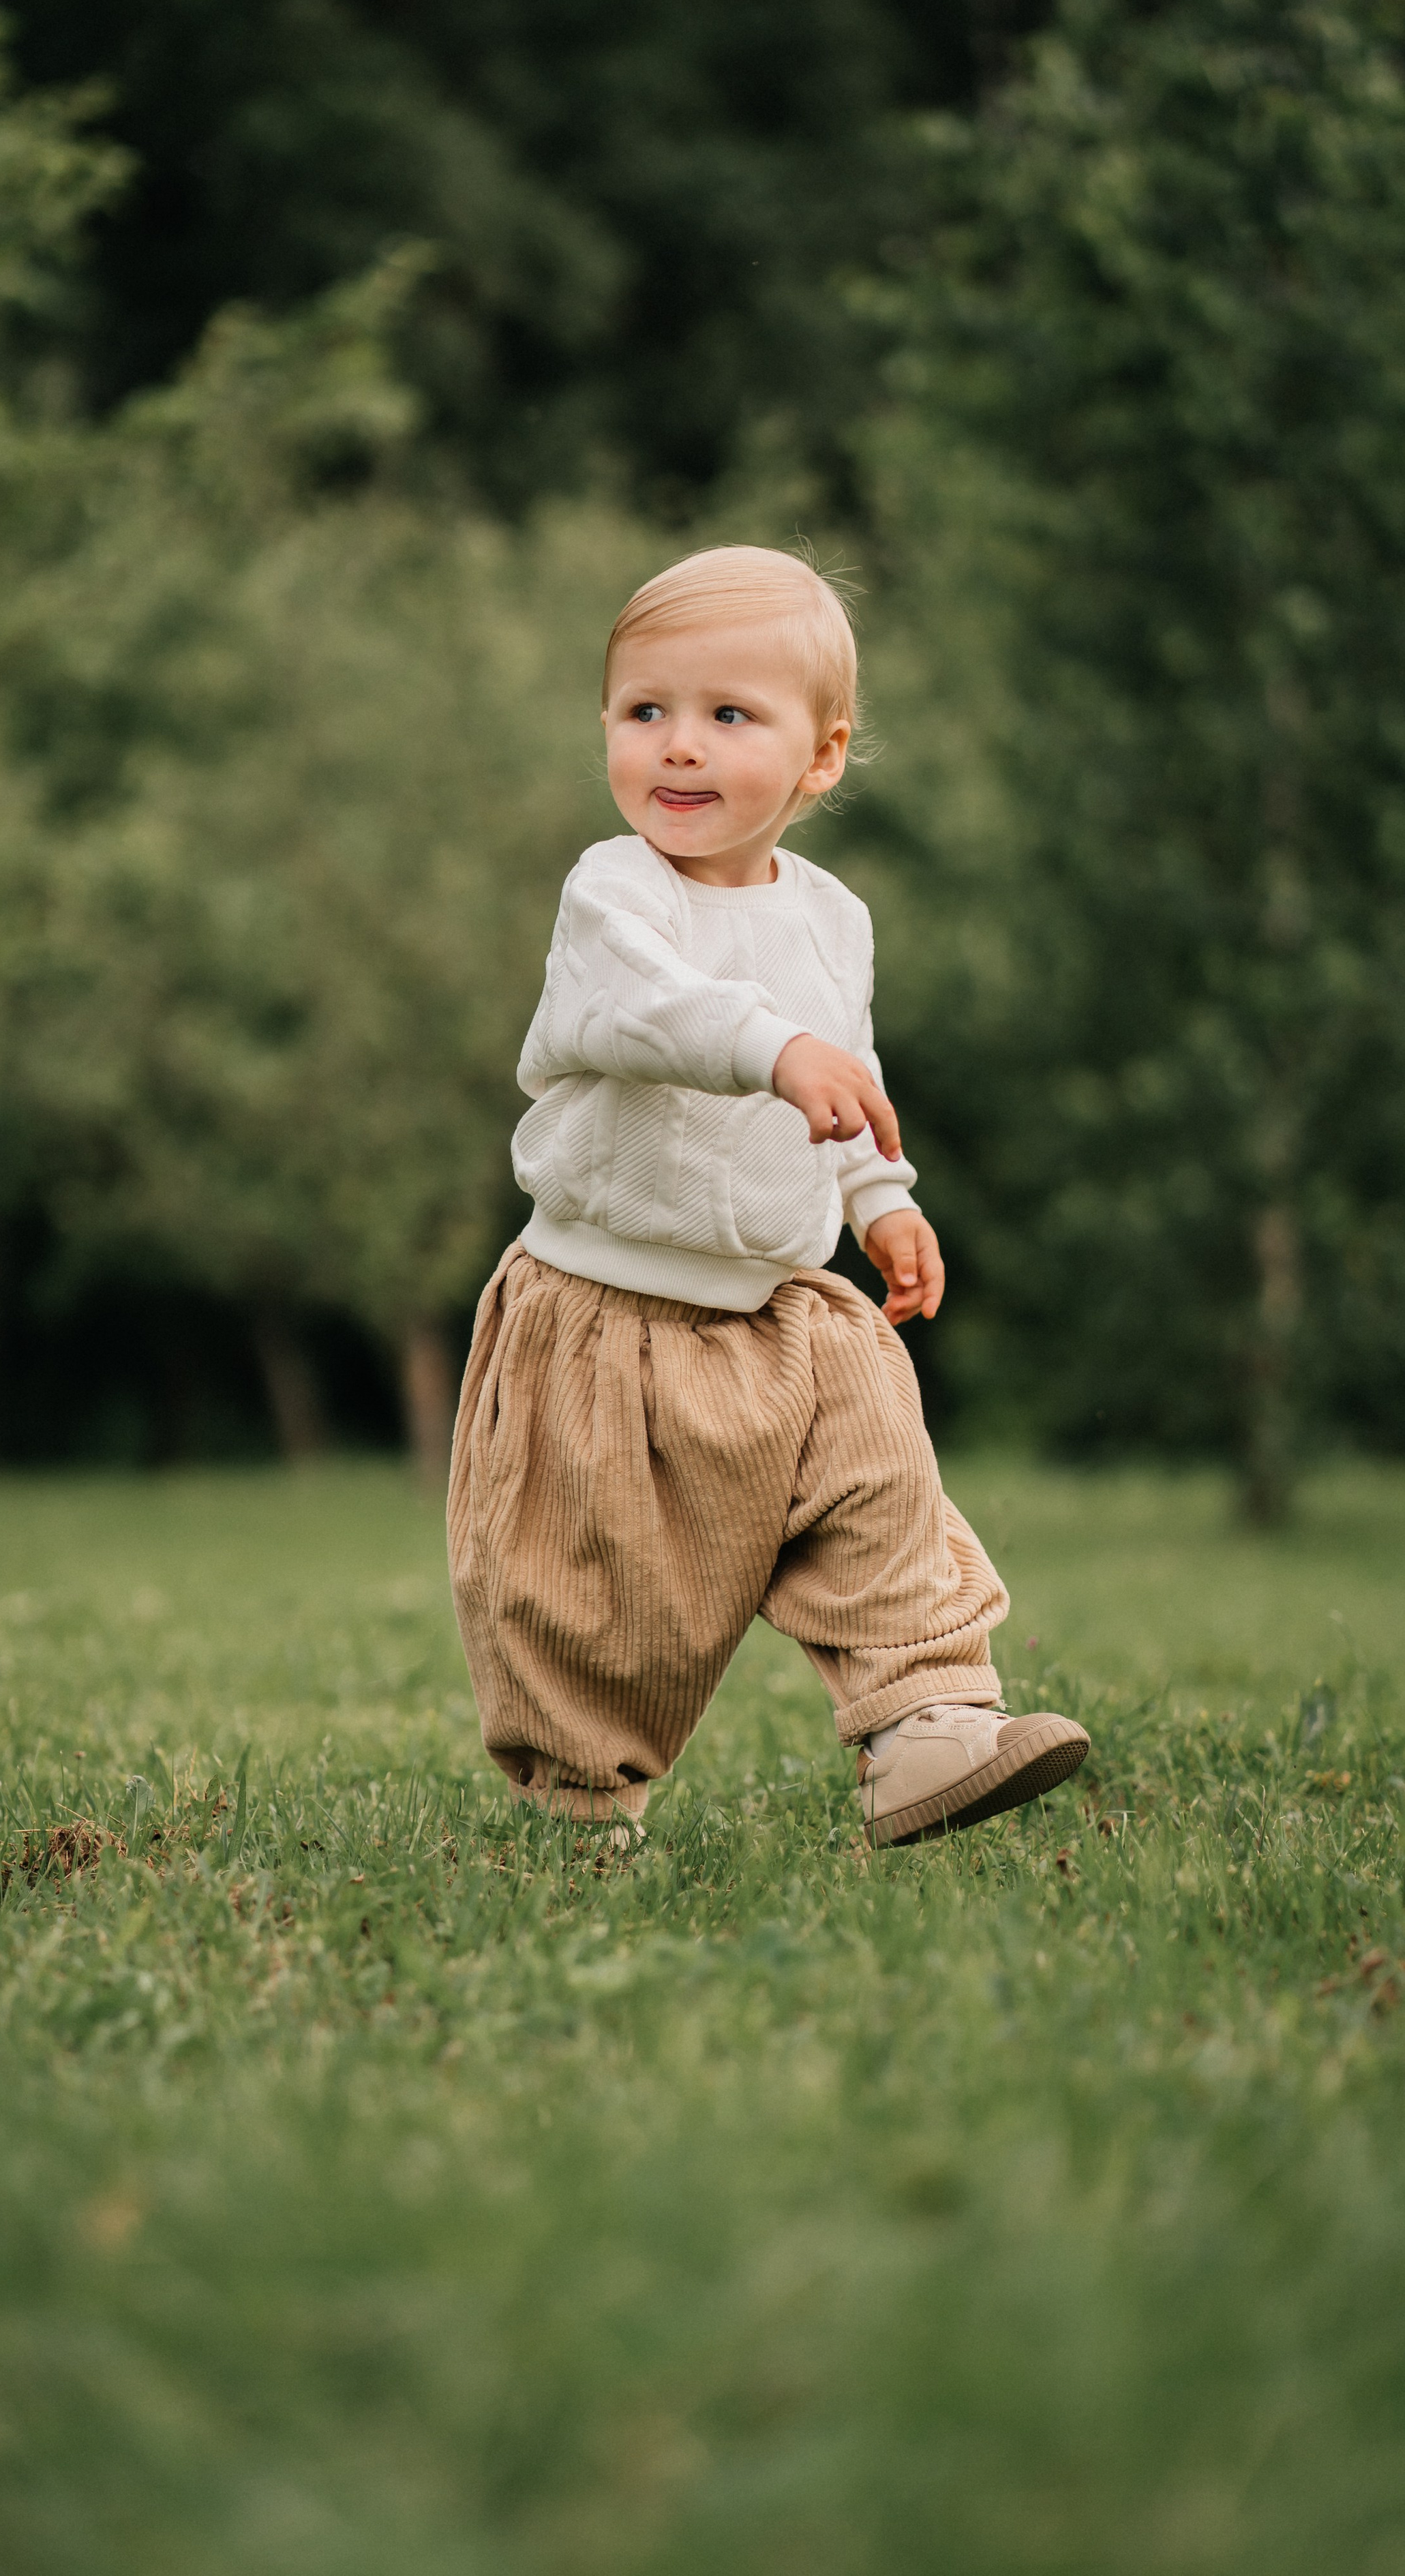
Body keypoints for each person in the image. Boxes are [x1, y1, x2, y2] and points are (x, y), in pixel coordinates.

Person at [446, 545, 1089, 1846]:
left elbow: (844, 1078)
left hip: (787, 1316)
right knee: (591, 1596)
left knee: (882, 1487)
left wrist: (879, 1197)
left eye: (728, 716)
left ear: (823, 755)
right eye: (645, 712)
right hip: (605, 1312)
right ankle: (577, 1811)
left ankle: (926, 1732)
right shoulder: (613, 893)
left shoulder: (833, 918)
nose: (678, 749)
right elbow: (657, 1013)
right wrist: (773, 1051)